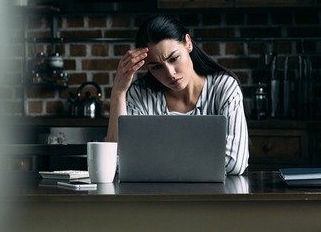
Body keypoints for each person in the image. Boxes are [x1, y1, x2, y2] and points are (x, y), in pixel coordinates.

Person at [106, 14, 249, 175]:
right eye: (156, 67)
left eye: (174, 58)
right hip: (156, 198)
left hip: (214, 197)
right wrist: (118, 93)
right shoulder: (140, 95)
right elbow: (118, 162)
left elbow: (235, 162)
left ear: (188, 43)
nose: (170, 73)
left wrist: (154, 162)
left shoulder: (224, 87)